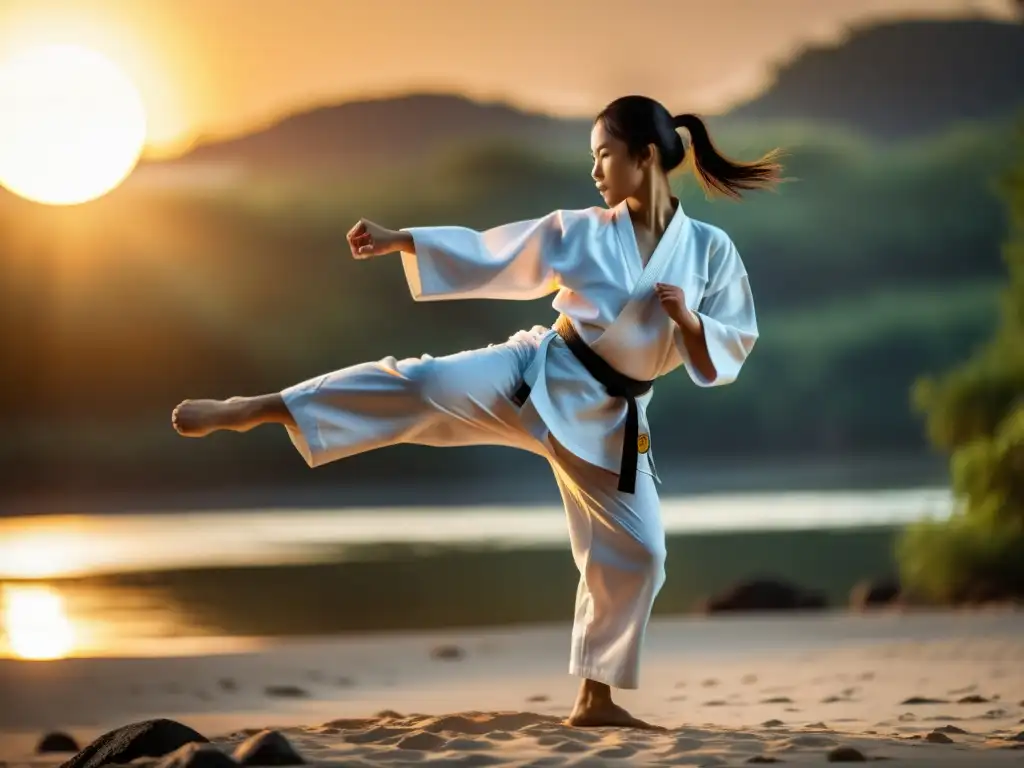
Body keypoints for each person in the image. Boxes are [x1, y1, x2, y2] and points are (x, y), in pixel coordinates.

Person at [171, 95, 782, 729]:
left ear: (645, 157)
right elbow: (501, 250)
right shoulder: (585, 231)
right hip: (537, 372)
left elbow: (734, 338)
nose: (595, 172)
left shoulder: (709, 249)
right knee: (423, 382)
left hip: (612, 419)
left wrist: (688, 318)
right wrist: (401, 239)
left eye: (603, 155)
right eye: (593, 158)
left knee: (641, 553)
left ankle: (595, 699)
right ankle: (261, 407)